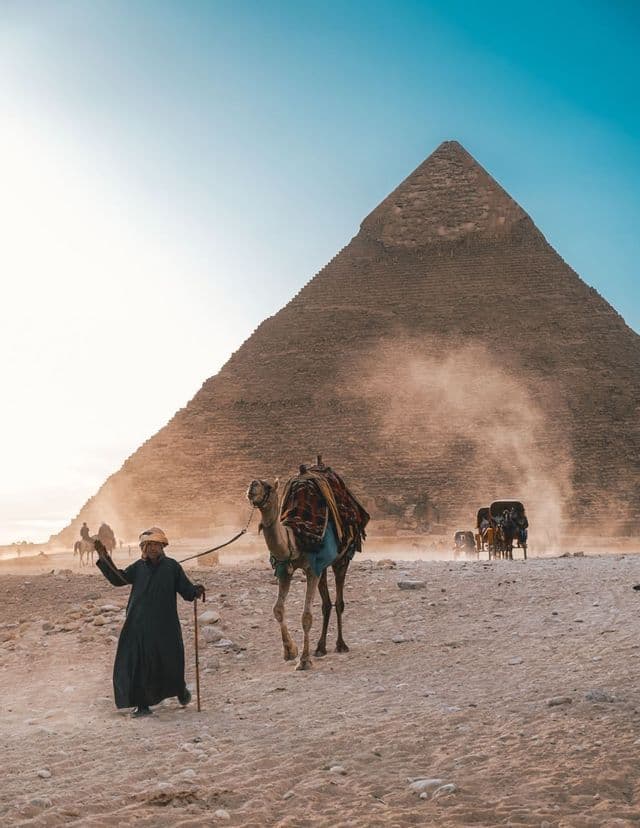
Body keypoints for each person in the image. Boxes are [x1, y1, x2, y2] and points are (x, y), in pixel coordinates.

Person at [94, 526, 205, 718]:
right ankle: (142, 705)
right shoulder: (137, 567)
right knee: (138, 664)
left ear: (162, 546)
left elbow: (186, 591)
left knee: (170, 660)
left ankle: (179, 689)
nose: (152, 549)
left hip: (165, 625)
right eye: (148, 545)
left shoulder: (172, 567)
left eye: (155, 545)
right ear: (143, 548)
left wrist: (196, 590)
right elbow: (118, 578)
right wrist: (104, 558)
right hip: (138, 625)